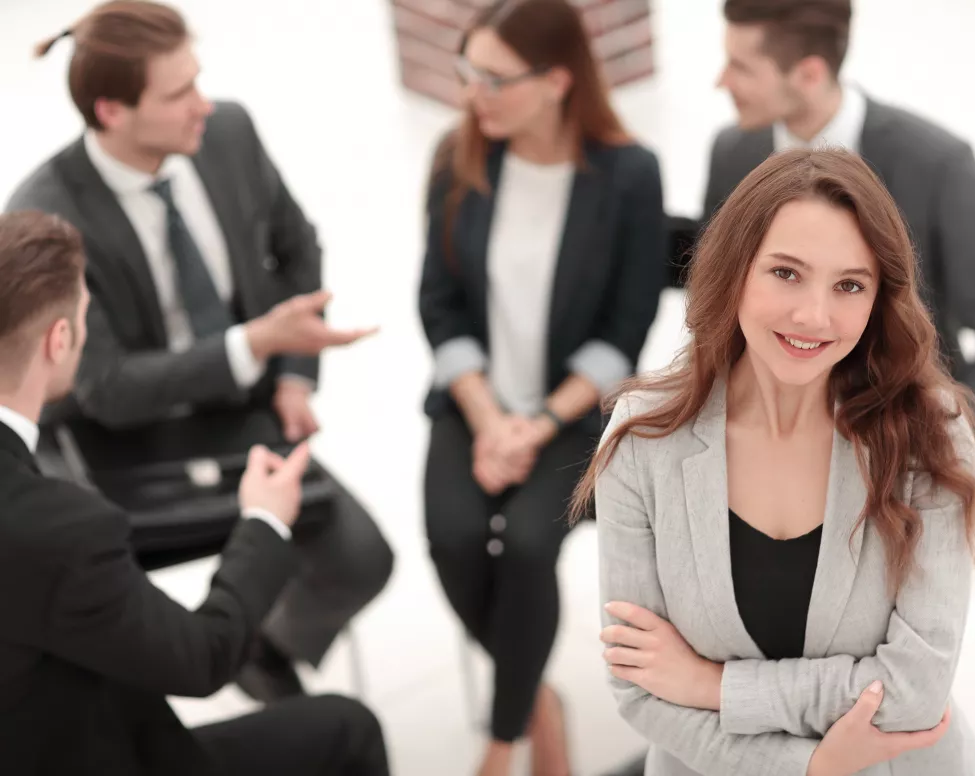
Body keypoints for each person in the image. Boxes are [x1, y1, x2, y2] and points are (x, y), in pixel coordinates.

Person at [6, 0, 395, 703]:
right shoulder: (48, 219)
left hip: (240, 414)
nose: (203, 105)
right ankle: (214, 655)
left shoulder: (229, 134)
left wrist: (293, 377)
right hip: (121, 445)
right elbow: (107, 389)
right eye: (179, 92)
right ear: (111, 110)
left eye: (199, 80)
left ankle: (254, 648)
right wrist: (255, 343)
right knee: (111, 637)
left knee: (362, 557)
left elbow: (297, 246)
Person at [578, 149, 975, 775]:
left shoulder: (930, 435)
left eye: (849, 285)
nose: (813, 316)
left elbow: (915, 691)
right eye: (786, 274)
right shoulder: (644, 436)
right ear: (736, 268)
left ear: (879, 299)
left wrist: (710, 686)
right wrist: (807, 769)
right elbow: (639, 688)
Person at [0, 210, 390, 776]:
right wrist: (264, 522)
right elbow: (203, 659)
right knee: (348, 729)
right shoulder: (63, 530)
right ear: (59, 340)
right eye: (85, 317)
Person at [417, 0, 666, 773]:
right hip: (475, 400)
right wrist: (490, 418)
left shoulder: (629, 175)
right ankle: (536, 698)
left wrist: (533, 426)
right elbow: (438, 300)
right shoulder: (457, 156)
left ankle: (502, 739)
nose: (472, 92)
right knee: (453, 537)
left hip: (571, 411)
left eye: (492, 77)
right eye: (467, 72)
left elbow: (625, 329)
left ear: (558, 80)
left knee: (527, 543)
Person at [676, 0, 975, 425]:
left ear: (809, 74)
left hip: (894, 435)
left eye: (742, 67)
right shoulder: (733, 153)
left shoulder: (937, 165)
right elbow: (714, 291)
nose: (722, 81)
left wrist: (944, 438)